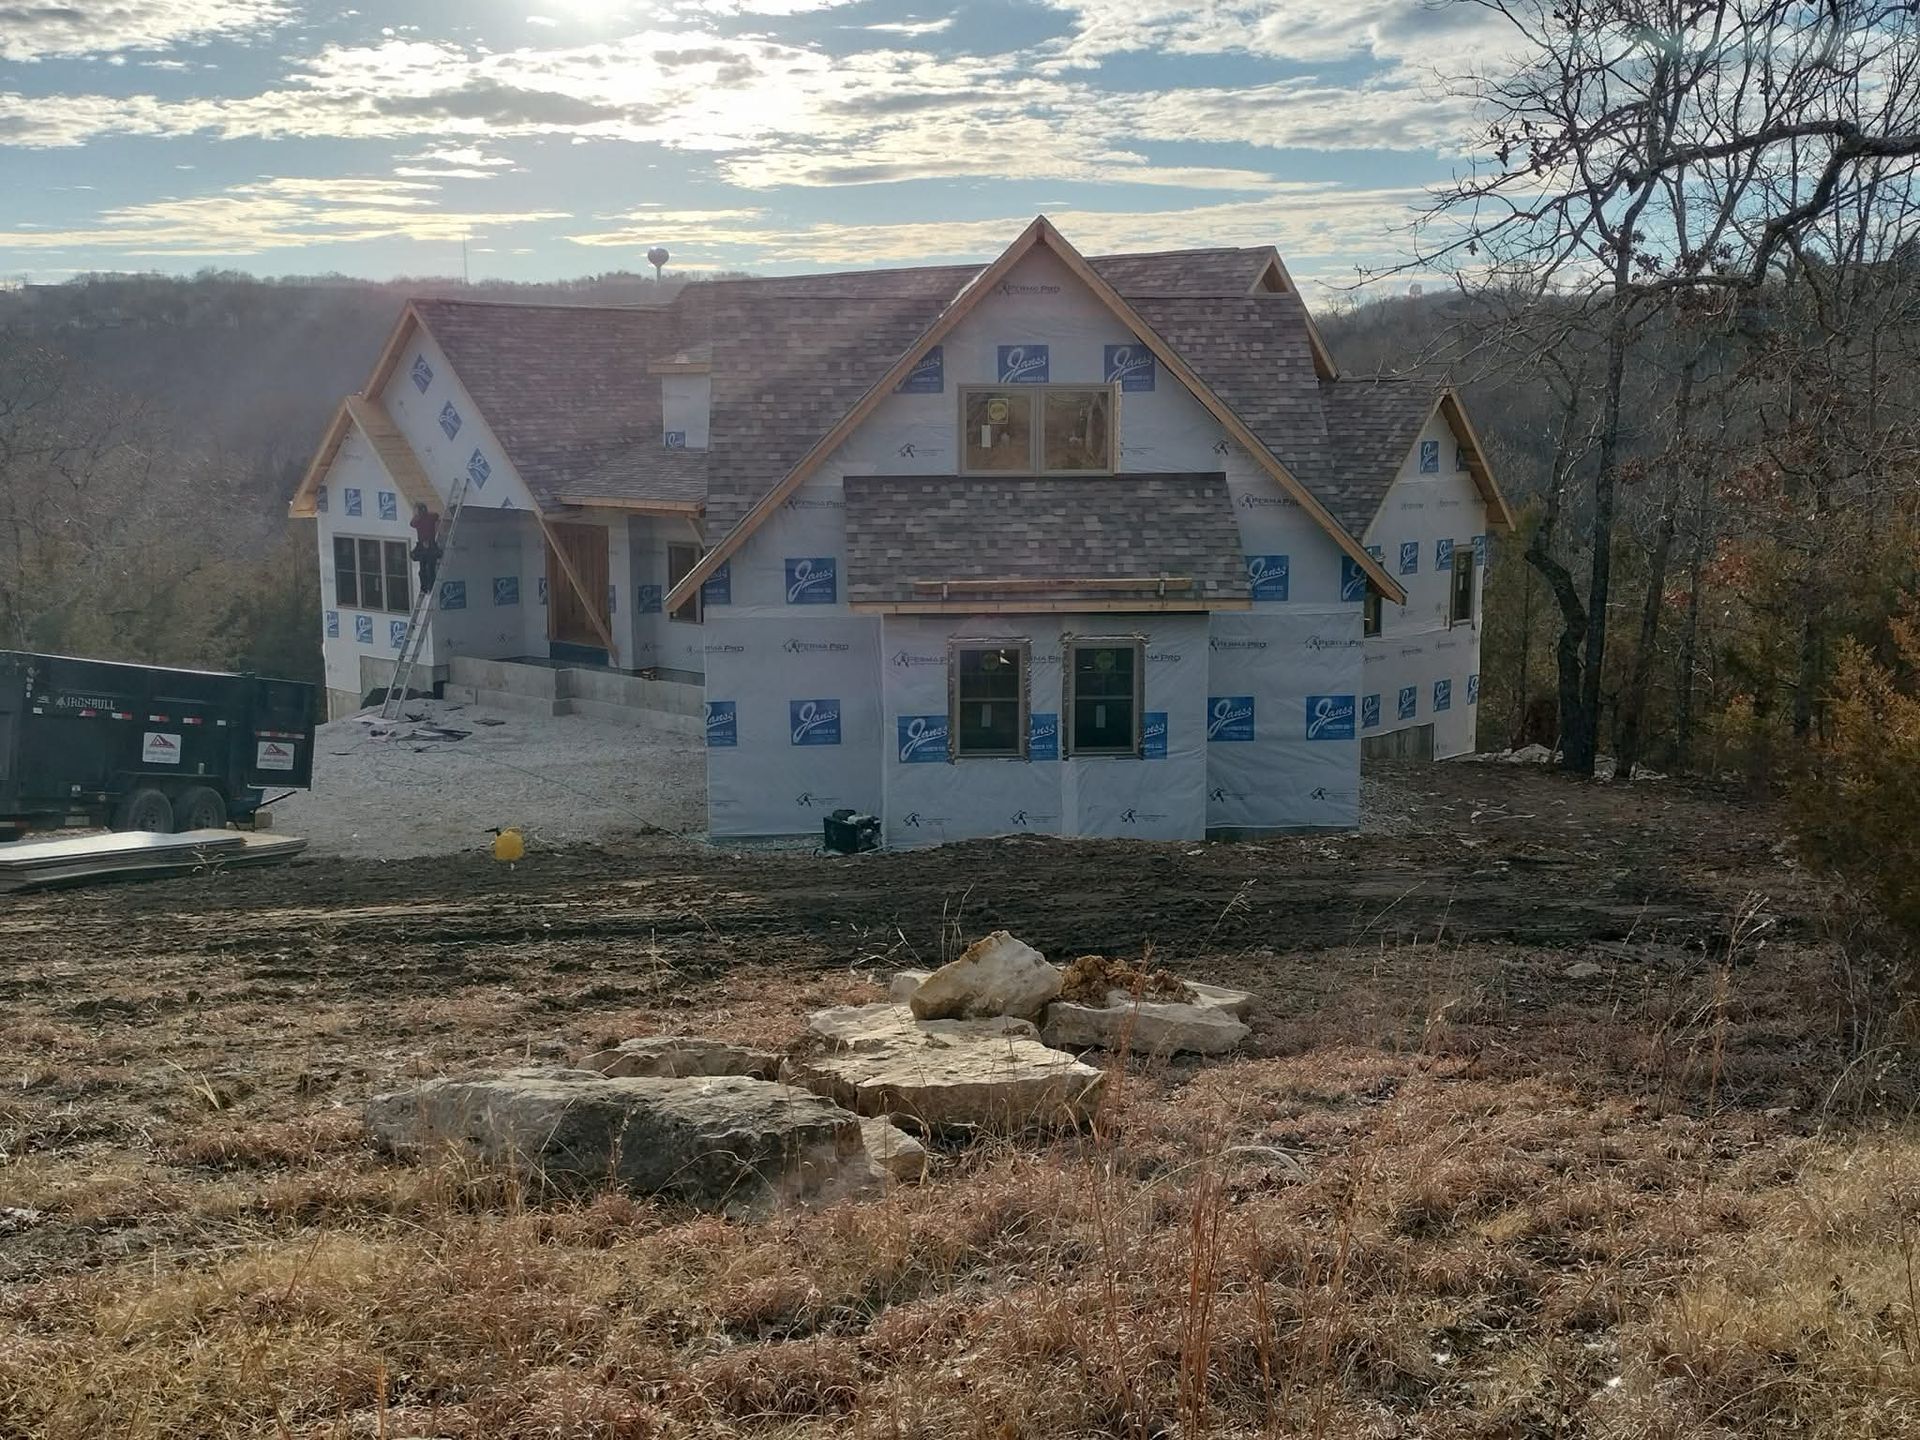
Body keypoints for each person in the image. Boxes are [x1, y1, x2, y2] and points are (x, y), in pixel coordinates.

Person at [410, 502, 443, 592]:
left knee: (424, 569)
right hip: (430, 545)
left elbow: (412, 523)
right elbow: (436, 516)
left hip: (425, 545)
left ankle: (425, 588)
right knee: (430, 569)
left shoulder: (418, 520)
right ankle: (430, 587)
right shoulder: (431, 517)